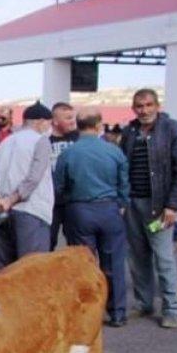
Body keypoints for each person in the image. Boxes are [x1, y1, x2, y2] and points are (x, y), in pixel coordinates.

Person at [120, 88, 177, 328]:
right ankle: (144, 303)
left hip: (160, 206)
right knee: (137, 257)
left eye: (149, 105)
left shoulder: (172, 129)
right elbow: (123, 168)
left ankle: (171, 308)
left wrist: (172, 205)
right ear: (134, 108)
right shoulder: (129, 132)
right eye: (139, 106)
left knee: (164, 258)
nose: (144, 110)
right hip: (133, 204)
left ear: (157, 106)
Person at [54, 107, 130, 327]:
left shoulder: (68, 153)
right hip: (109, 209)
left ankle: (87, 310)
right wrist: (122, 203)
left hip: (79, 210)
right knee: (113, 262)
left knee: (83, 264)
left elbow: (59, 185)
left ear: (78, 126)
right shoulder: (114, 151)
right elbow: (124, 183)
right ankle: (117, 312)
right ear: (99, 126)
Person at [0, 101, 55, 270]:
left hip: (3, 213)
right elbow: (33, 178)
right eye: (49, 123)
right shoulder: (41, 141)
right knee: (31, 270)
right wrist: (11, 199)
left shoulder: (4, 143)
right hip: (31, 211)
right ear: (41, 122)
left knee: (4, 270)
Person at [47, 102, 80, 250]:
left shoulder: (79, 139)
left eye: (73, 117)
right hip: (50, 201)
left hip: (73, 200)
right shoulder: (44, 141)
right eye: (68, 118)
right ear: (55, 121)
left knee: (76, 243)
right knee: (48, 242)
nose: (73, 121)